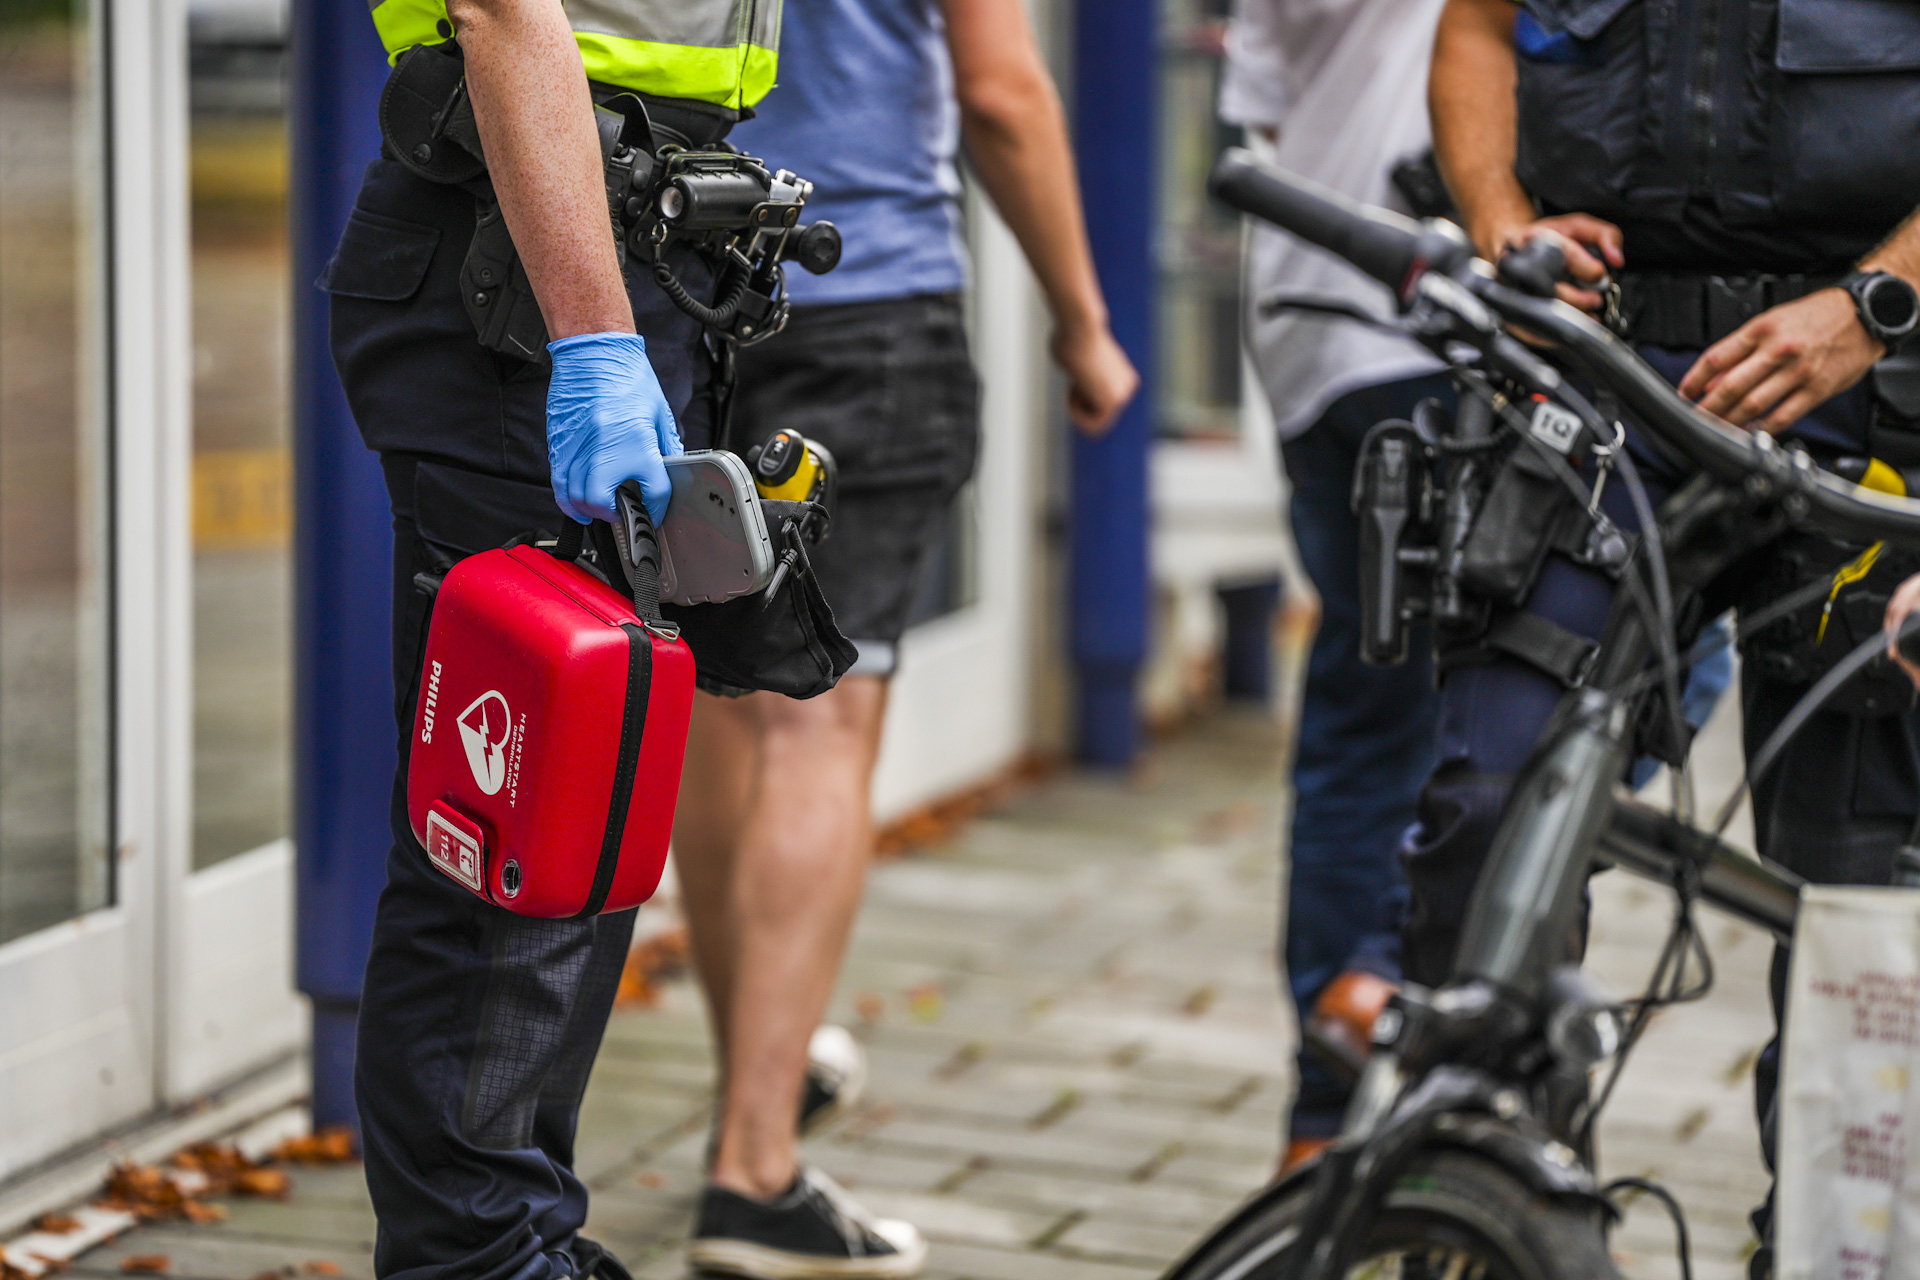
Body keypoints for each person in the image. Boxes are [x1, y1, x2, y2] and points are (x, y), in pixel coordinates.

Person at [1425, 1, 1920, 1273]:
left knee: (1863, 887)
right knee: (1492, 802)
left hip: (1878, 398)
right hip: (1609, 383)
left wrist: (1877, 301)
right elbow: (1476, 23)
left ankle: (1825, 1247)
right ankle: (1484, 1226)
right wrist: (1496, 215)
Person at [667, 2, 1138, 1276]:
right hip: (861, 290)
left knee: (718, 704)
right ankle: (756, 1166)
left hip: (684, 279)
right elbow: (1002, 93)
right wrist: (1084, 320)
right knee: (822, 718)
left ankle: (753, 1086)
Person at [320, 2, 778, 1277]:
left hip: (601, 248)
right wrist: (592, 335)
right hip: (524, 278)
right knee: (508, 827)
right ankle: (482, 1256)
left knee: (567, 821)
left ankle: (512, 1235)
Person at [1216, 0, 1449, 1173]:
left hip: (1328, 316)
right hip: (1423, 330)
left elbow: (1263, 90)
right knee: (1544, 696)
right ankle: (1392, 975)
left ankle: (1326, 1112)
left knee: (1378, 703)